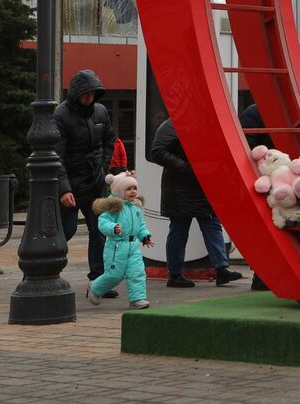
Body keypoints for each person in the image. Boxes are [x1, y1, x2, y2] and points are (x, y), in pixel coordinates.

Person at [149, 116, 244, 288]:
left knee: (212, 224)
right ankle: (176, 274)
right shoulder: (172, 124)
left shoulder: (202, 123)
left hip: (202, 183)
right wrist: (186, 168)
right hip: (180, 186)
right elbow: (157, 152)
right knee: (180, 229)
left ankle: (221, 269)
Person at [54, 69, 118, 295]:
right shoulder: (61, 115)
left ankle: (99, 281)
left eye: (93, 93)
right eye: (86, 94)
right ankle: (48, 272)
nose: (90, 98)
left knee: (100, 232)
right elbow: (57, 155)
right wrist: (64, 189)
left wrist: (103, 167)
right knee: (65, 231)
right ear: (76, 93)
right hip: (71, 184)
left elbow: (110, 139)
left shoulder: (100, 111)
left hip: (94, 182)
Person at [87, 171, 153, 309]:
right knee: (114, 275)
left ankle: (137, 299)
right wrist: (113, 228)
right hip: (116, 247)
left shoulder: (135, 206)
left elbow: (140, 225)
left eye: (134, 188)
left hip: (133, 247)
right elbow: (103, 221)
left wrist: (145, 236)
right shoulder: (113, 207)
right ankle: (95, 288)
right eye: (128, 189)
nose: (133, 191)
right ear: (118, 191)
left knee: (137, 273)